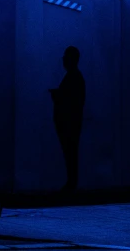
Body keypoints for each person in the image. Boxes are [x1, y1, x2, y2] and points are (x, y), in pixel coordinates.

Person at [49, 46, 85, 192]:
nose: (63, 59)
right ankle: (71, 182)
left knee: (70, 152)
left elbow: (70, 100)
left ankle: (71, 183)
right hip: (70, 123)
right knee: (70, 153)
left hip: (69, 123)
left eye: (66, 56)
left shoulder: (73, 77)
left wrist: (57, 96)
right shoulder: (75, 76)